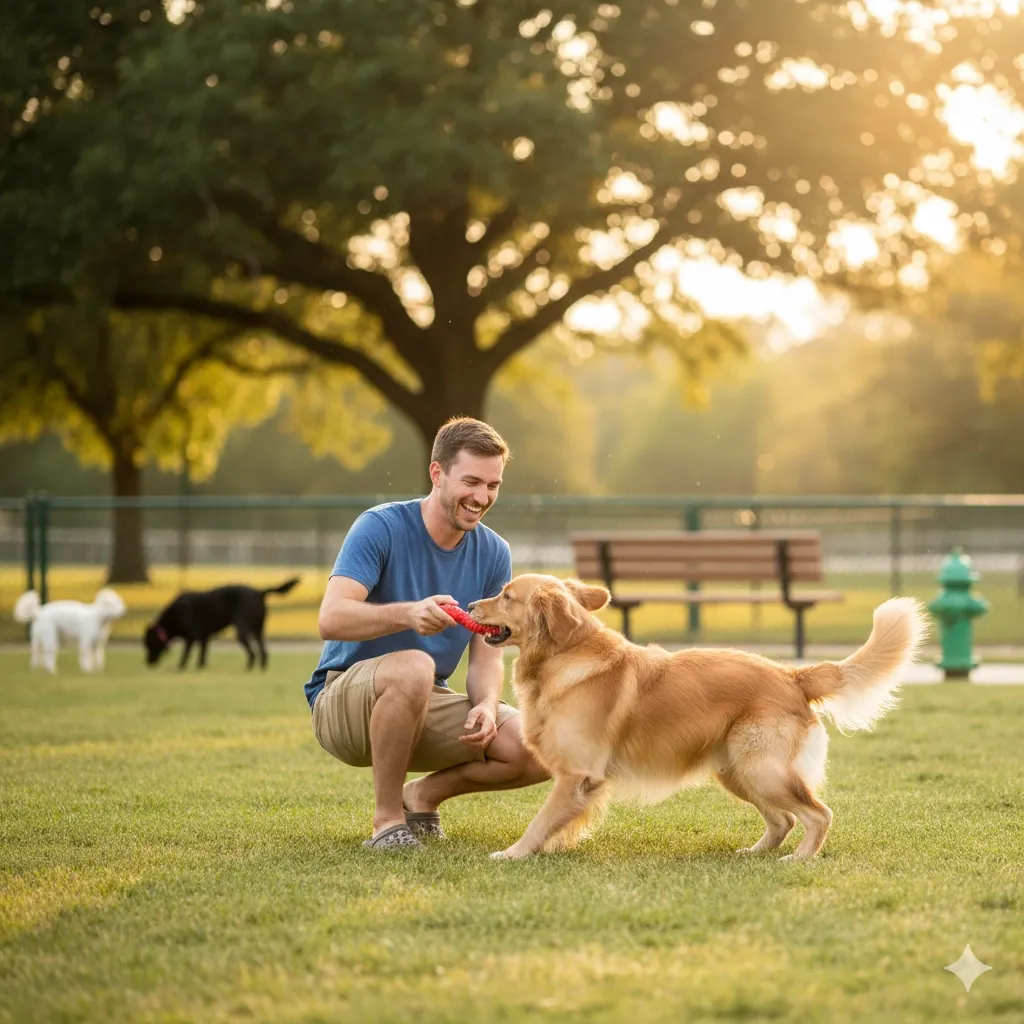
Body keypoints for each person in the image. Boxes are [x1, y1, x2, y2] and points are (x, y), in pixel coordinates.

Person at [305, 417, 549, 849]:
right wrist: (407, 615)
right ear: (437, 473)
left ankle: (421, 797)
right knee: (415, 666)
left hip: (422, 699)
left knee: (540, 745)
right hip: (342, 700)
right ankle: (387, 823)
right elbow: (332, 617)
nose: (481, 497)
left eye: (493, 485)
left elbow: (487, 655)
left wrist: (489, 707)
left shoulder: (493, 552)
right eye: (471, 481)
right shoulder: (381, 526)